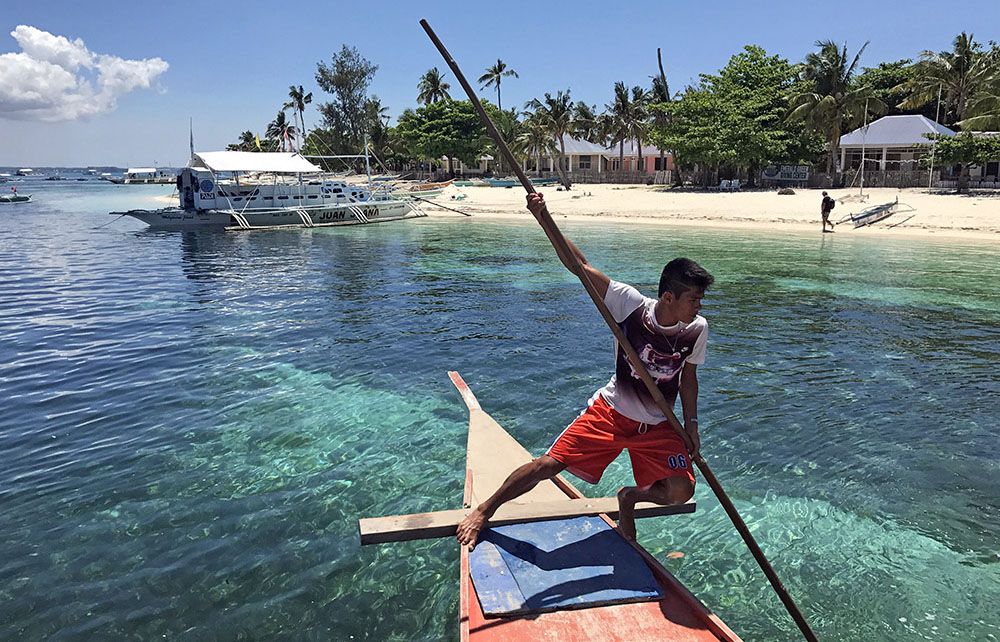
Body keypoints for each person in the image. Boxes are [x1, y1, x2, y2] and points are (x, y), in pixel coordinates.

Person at [456, 192, 713, 547]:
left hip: (658, 423)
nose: (699, 307)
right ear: (668, 297)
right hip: (611, 412)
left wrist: (691, 427)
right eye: (693, 299)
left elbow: (688, 380)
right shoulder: (630, 305)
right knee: (547, 465)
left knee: (680, 490)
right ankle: (485, 509)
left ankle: (629, 498)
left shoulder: (697, 329)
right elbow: (580, 267)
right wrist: (544, 218)